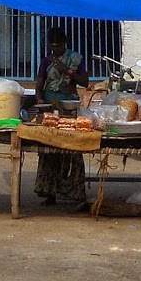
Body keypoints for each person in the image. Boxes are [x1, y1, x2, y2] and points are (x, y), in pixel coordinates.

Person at [32, 26, 89, 206]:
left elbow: (85, 82)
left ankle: (76, 193)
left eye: (58, 46)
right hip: (51, 108)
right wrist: (40, 100)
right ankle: (50, 193)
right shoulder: (46, 61)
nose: (55, 49)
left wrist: (67, 70)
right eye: (52, 46)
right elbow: (39, 84)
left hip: (69, 107)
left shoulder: (75, 59)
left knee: (73, 149)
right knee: (49, 150)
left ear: (65, 44)